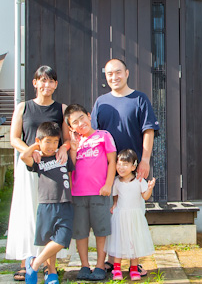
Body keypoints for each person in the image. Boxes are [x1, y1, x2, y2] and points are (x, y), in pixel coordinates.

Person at [92, 58, 159, 276]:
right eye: (109, 74)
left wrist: (146, 159)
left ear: (127, 73)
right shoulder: (101, 102)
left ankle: (133, 261)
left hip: (133, 170)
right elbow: (94, 135)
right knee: (112, 213)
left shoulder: (139, 99)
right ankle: (112, 260)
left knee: (133, 215)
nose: (114, 77)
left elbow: (148, 130)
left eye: (118, 72)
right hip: (107, 171)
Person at [7, 66, 70, 281]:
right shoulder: (23, 107)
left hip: (52, 169)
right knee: (28, 212)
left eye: (51, 81)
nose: (47, 85)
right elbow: (14, 138)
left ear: (56, 84)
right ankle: (28, 260)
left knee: (49, 214)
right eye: (42, 81)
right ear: (35, 83)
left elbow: (68, 138)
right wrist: (31, 150)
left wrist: (63, 147)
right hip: (29, 165)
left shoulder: (61, 109)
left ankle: (48, 265)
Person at [64, 103, 117, 281]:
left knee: (101, 231)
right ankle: (84, 265)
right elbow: (71, 167)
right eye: (75, 123)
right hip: (78, 194)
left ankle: (100, 265)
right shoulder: (75, 143)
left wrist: (108, 185)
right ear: (71, 127)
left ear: (88, 115)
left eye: (82, 118)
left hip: (100, 193)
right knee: (81, 232)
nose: (80, 123)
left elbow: (112, 161)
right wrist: (73, 148)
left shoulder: (104, 136)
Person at [20, 122, 74, 284]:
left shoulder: (61, 156)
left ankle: (35, 263)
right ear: (39, 140)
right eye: (47, 141)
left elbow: (73, 165)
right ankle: (51, 274)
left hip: (65, 202)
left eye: (55, 142)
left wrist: (64, 147)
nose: (51, 146)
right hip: (46, 204)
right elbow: (23, 156)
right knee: (49, 239)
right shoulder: (38, 160)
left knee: (62, 239)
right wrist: (36, 147)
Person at [105, 149, 156, 281]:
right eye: (119, 164)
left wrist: (149, 188)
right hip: (120, 216)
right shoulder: (116, 181)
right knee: (118, 241)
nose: (121, 167)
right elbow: (115, 195)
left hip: (134, 217)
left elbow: (144, 196)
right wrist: (115, 204)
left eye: (125, 164)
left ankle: (134, 268)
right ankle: (117, 268)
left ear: (133, 166)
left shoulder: (139, 181)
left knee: (134, 241)